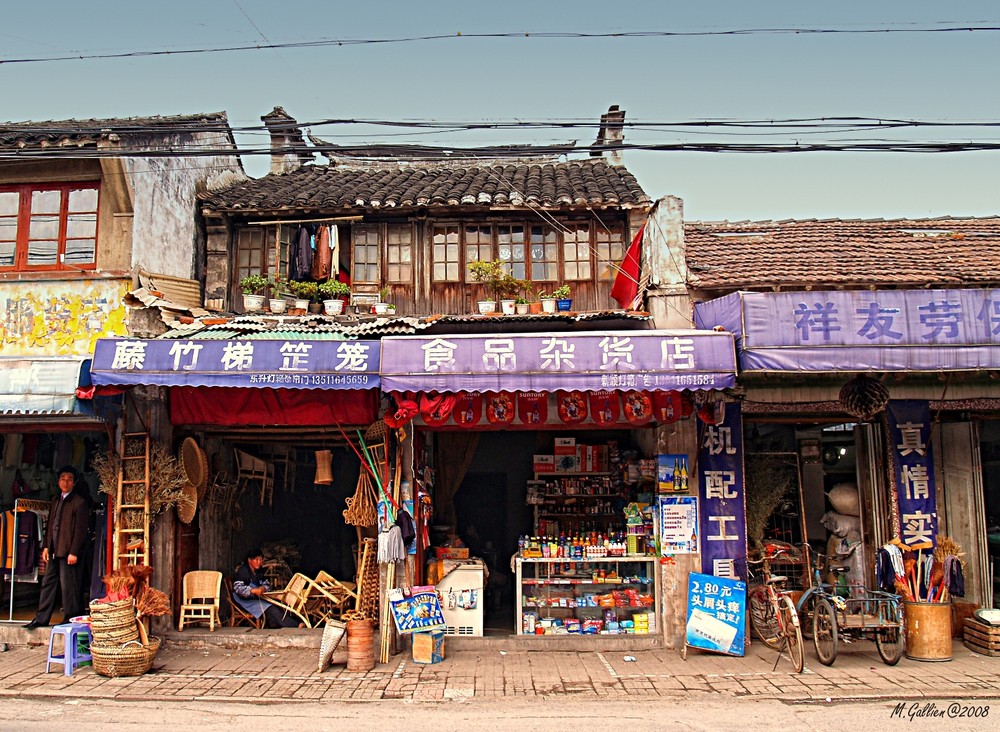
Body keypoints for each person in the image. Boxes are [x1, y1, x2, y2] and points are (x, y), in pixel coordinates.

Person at [24, 466, 91, 629]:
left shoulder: (79, 502)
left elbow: (81, 530)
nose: (65, 482)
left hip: (69, 551)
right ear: (58, 481)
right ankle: (41, 618)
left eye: (69, 479)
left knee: (69, 586)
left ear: (74, 483)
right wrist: (46, 546)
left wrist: (74, 551)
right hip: (54, 548)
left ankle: (71, 617)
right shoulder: (55, 500)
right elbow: (51, 525)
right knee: (48, 582)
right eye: (62, 478)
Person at [232, 548, 301, 628]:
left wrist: (263, 588)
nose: (259, 562)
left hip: (255, 598)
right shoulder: (243, 571)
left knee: (276, 604)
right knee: (271, 608)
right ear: (249, 560)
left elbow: (266, 583)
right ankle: (296, 625)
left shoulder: (259, 570)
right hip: (243, 601)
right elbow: (238, 588)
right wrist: (252, 590)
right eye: (256, 559)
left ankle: (280, 624)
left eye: (261, 560)